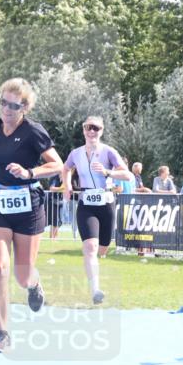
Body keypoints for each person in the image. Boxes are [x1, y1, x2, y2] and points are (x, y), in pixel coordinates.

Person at [0, 78, 63, 353]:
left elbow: (57, 164)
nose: (7, 109)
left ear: (25, 108)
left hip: (29, 205)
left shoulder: (34, 132)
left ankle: (34, 285)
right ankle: (2, 333)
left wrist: (30, 172)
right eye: (3, 103)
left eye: (14, 105)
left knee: (22, 274)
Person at [61, 116, 129, 304]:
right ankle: (95, 290)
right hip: (86, 204)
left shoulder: (109, 152)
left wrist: (108, 172)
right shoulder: (76, 153)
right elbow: (65, 169)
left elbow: (128, 175)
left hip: (106, 203)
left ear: (101, 131)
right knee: (90, 248)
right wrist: (66, 186)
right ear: (83, 130)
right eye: (89, 128)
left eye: (96, 128)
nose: (92, 131)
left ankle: (97, 261)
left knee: (102, 248)